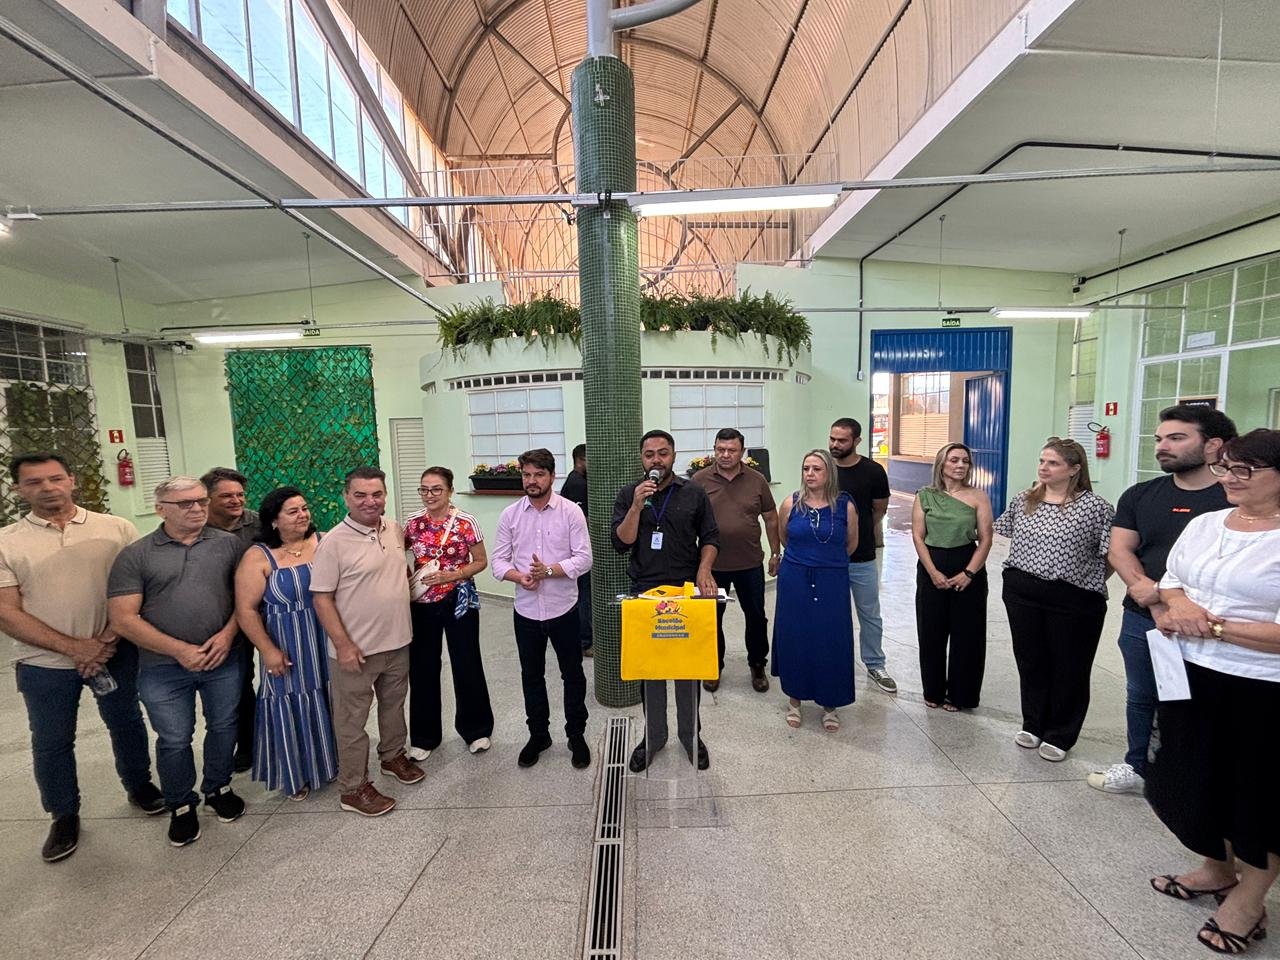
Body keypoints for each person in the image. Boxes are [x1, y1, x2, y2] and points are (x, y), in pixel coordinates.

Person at [1145, 428, 1280, 955]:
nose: (1229, 478)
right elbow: (1171, 579)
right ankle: (1217, 867)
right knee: (1189, 778)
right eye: (1225, 467)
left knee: (1256, 795)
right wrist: (1180, 607)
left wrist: (1215, 627)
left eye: (1244, 470)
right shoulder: (1205, 523)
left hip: (1261, 686)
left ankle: (1249, 899)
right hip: (1189, 671)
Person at [0, 453, 162, 863]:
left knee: (126, 722)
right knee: (51, 740)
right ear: (18, 489)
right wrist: (75, 648)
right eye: (34, 482)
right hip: (44, 664)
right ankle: (63, 814)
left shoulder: (116, 529)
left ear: (72, 480)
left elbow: (138, 592)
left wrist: (104, 642)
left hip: (115, 651)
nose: (48, 488)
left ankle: (139, 786)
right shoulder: (6, 541)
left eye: (56, 478)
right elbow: (6, 612)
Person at [1088, 405, 1236, 796]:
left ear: (1213, 446)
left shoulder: (1232, 498)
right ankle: (1138, 765)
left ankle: (1195, 777)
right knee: (1142, 694)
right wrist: (1148, 594)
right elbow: (1121, 549)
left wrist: (1170, 598)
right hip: (1143, 618)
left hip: (1207, 622)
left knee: (1200, 700)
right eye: (1159, 439)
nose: (1162, 446)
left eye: (1176, 438)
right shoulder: (1141, 495)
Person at [107, 476, 247, 847]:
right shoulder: (136, 555)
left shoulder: (228, 544)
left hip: (222, 657)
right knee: (174, 738)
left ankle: (218, 787)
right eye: (185, 503)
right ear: (160, 509)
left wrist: (227, 635)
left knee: (224, 725)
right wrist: (180, 650)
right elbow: (123, 619)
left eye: (201, 501)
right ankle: (181, 803)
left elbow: (245, 599)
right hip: (163, 667)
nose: (197, 508)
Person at [311, 467, 424, 817]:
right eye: (360, 495)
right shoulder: (333, 542)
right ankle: (353, 787)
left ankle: (392, 756)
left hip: (397, 642)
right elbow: (322, 598)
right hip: (355, 651)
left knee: (393, 707)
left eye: (376, 494)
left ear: (385, 496)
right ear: (346, 497)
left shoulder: (394, 530)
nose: (369, 501)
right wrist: (343, 645)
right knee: (351, 722)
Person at [994, 438, 1114, 762]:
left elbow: (1112, 554)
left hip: (1073, 597)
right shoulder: (1025, 500)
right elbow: (1003, 532)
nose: (1044, 468)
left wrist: (1085, 581)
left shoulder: (1095, 507)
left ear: (1074, 469)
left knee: (1069, 666)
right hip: (1023, 591)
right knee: (1031, 660)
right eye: (1042, 461)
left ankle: (1060, 733)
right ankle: (1033, 723)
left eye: (1053, 463)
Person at [611, 429, 720, 772]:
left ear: (673, 455)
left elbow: (711, 537)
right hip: (645, 593)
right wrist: (636, 506)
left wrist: (704, 570)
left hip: (686, 591)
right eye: (649, 454)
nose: (656, 460)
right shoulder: (630, 493)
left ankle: (690, 736)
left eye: (662, 453)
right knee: (652, 671)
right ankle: (654, 737)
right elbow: (621, 543)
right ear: (641, 459)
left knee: (687, 670)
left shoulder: (694, 492)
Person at [234, 487, 337, 801]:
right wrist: (267, 650)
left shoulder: (324, 542)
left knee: (331, 697)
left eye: (304, 508)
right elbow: (246, 610)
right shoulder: (258, 556)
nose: (303, 515)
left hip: (326, 635)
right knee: (290, 702)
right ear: (274, 520)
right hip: (287, 641)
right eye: (293, 511)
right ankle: (296, 773)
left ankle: (332, 763)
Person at [492, 449, 593, 769]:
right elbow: (498, 562)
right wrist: (519, 577)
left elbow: (584, 559)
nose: (531, 481)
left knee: (572, 675)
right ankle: (539, 735)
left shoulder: (570, 512)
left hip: (564, 610)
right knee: (531, 676)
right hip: (526, 612)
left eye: (538, 474)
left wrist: (548, 571)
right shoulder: (510, 515)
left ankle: (576, 735)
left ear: (552, 476)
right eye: (526, 475)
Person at [404, 466, 494, 759]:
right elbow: (396, 554)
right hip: (421, 603)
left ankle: (476, 730)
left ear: (450, 491)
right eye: (424, 489)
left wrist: (452, 575)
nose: (429, 495)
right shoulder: (413, 523)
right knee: (423, 667)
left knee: (466, 662)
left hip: (459, 600)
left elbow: (480, 561)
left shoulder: (466, 522)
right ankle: (424, 737)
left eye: (436, 489)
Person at [771, 450, 858, 731]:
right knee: (796, 637)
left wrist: (825, 563)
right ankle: (794, 700)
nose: (810, 474)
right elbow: (784, 537)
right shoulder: (791, 503)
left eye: (817, 469)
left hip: (832, 579)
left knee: (831, 639)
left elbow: (851, 544)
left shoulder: (845, 506)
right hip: (795, 578)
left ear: (829, 473)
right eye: (806, 468)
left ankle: (830, 705)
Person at [692, 428, 780, 693]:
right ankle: (713, 666)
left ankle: (757, 664)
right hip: (712, 567)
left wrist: (775, 553)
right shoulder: (699, 480)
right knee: (710, 620)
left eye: (732, 450)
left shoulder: (756, 480)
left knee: (756, 617)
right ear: (714, 450)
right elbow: (689, 521)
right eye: (720, 449)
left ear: (742, 452)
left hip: (749, 563)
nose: (725, 455)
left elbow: (771, 517)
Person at [911, 443, 993, 712]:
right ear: (941, 464)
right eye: (954, 460)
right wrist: (933, 572)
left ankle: (961, 695)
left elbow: (986, 538)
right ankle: (933, 690)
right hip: (931, 565)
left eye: (965, 461)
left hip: (967, 563)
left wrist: (969, 573)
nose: (960, 465)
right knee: (931, 631)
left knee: (967, 634)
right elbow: (918, 536)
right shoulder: (925, 495)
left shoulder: (978, 496)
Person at [829, 417, 897, 694]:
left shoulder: (873, 471)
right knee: (831, 614)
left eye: (842, 440)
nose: (835, 444)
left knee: (869, 613)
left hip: (862, 557)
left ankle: (875, 663)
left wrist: (859, 531)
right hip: (828, 558)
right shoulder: (823, 469)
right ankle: (833, 661)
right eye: (832, 438)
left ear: (856, 441)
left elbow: (879, 510)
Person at [201, 466, 262, 774]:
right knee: (238, 683)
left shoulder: (258, 523)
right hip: (222, 618)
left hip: (263, 613)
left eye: (240, 494)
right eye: (227, 496)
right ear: (208, 499)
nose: (236, 501)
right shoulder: (197, 528)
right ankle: (247, 744)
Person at [560, 443, 593, 657]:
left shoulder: (575, 481)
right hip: (575, 550)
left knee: (581, 593)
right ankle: (584, 642)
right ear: (581, 460)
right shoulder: (577, 484)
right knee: (583, 595)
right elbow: (583, 521)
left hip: (572, 548)